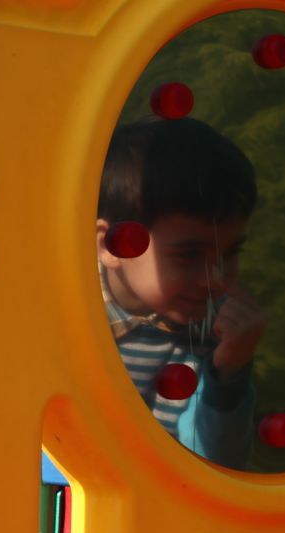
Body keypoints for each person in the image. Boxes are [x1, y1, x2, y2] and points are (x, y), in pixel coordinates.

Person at [96, 116, 266, 471]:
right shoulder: (71, 310)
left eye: (231, 253)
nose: (216, 280)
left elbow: (214, 464)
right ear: (113, 245)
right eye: (189, 254)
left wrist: (229, 372)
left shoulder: (214, 330)